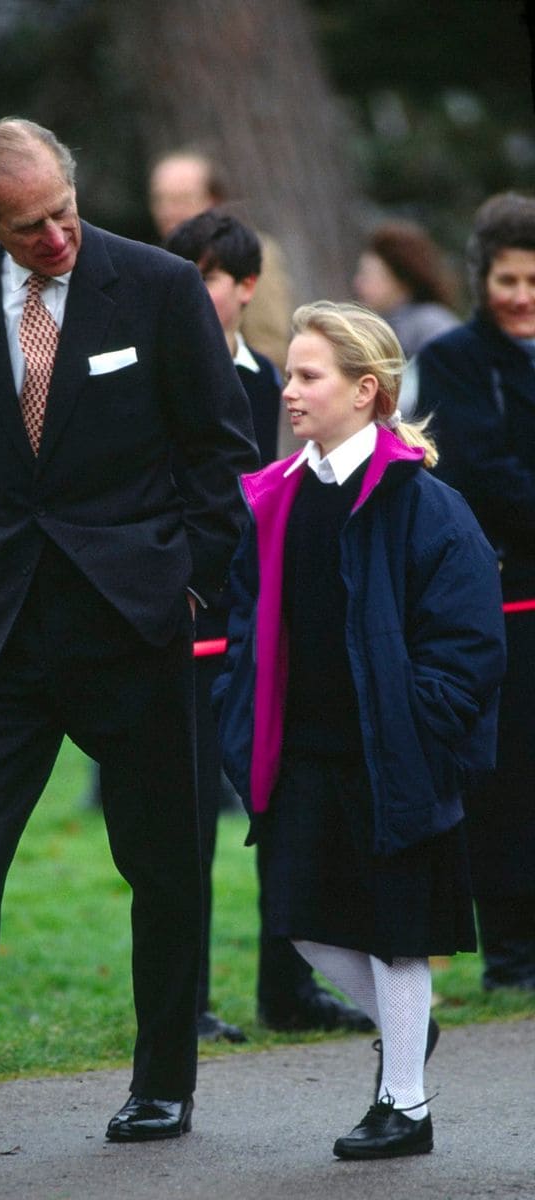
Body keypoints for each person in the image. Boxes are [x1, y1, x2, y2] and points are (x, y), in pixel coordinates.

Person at [0, 117, 258, 1154]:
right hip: (1, 632)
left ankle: (163, 1083)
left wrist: (189, 587)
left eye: (64, 212)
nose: (57, 237)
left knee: (161, 865)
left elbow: (220, 454)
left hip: (136, 625)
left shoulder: (156, 286)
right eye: (28, 228)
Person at [214, 301, 506, 1160]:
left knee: (397, 930)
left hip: (396, 752)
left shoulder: (426, 502)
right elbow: (246, 621)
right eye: (293, 374)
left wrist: (421, 722)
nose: (291, 393)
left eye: (309, 377)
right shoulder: (276, 499)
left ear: (366, 390)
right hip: (301, 752)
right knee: (301, 918)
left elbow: (468, 640)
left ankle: (405, 1104)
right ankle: (407, 1034)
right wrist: (242, 711)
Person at [165, 210, 373, 1043]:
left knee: (286, 804)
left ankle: (289, 987)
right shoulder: (151, 374)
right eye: (182, 273)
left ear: (246, 287)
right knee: (183, 820)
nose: (194, 291)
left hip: (266, 618)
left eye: (210, 275)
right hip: (187, 621)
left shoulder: (269, 381)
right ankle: (184, 1003)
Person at [416, 192, 535, 992]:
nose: (520, 294)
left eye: (532, 278)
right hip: (506, 595)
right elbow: (479, 471)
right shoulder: (457, 359)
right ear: (480, 279)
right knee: (507, 779)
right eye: (506, 278)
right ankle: (512, 954)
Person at [148, 148, 295, 372]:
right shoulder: (149, 260)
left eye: (183, 199)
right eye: (161, 199)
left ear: (213, 200)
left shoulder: (252, 252)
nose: (168, 211)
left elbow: (270, 345)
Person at [353, 221, 460, 416]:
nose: (358, 283)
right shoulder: (380, 326)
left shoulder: (432, 325)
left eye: (369, 275)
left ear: (399, 278)